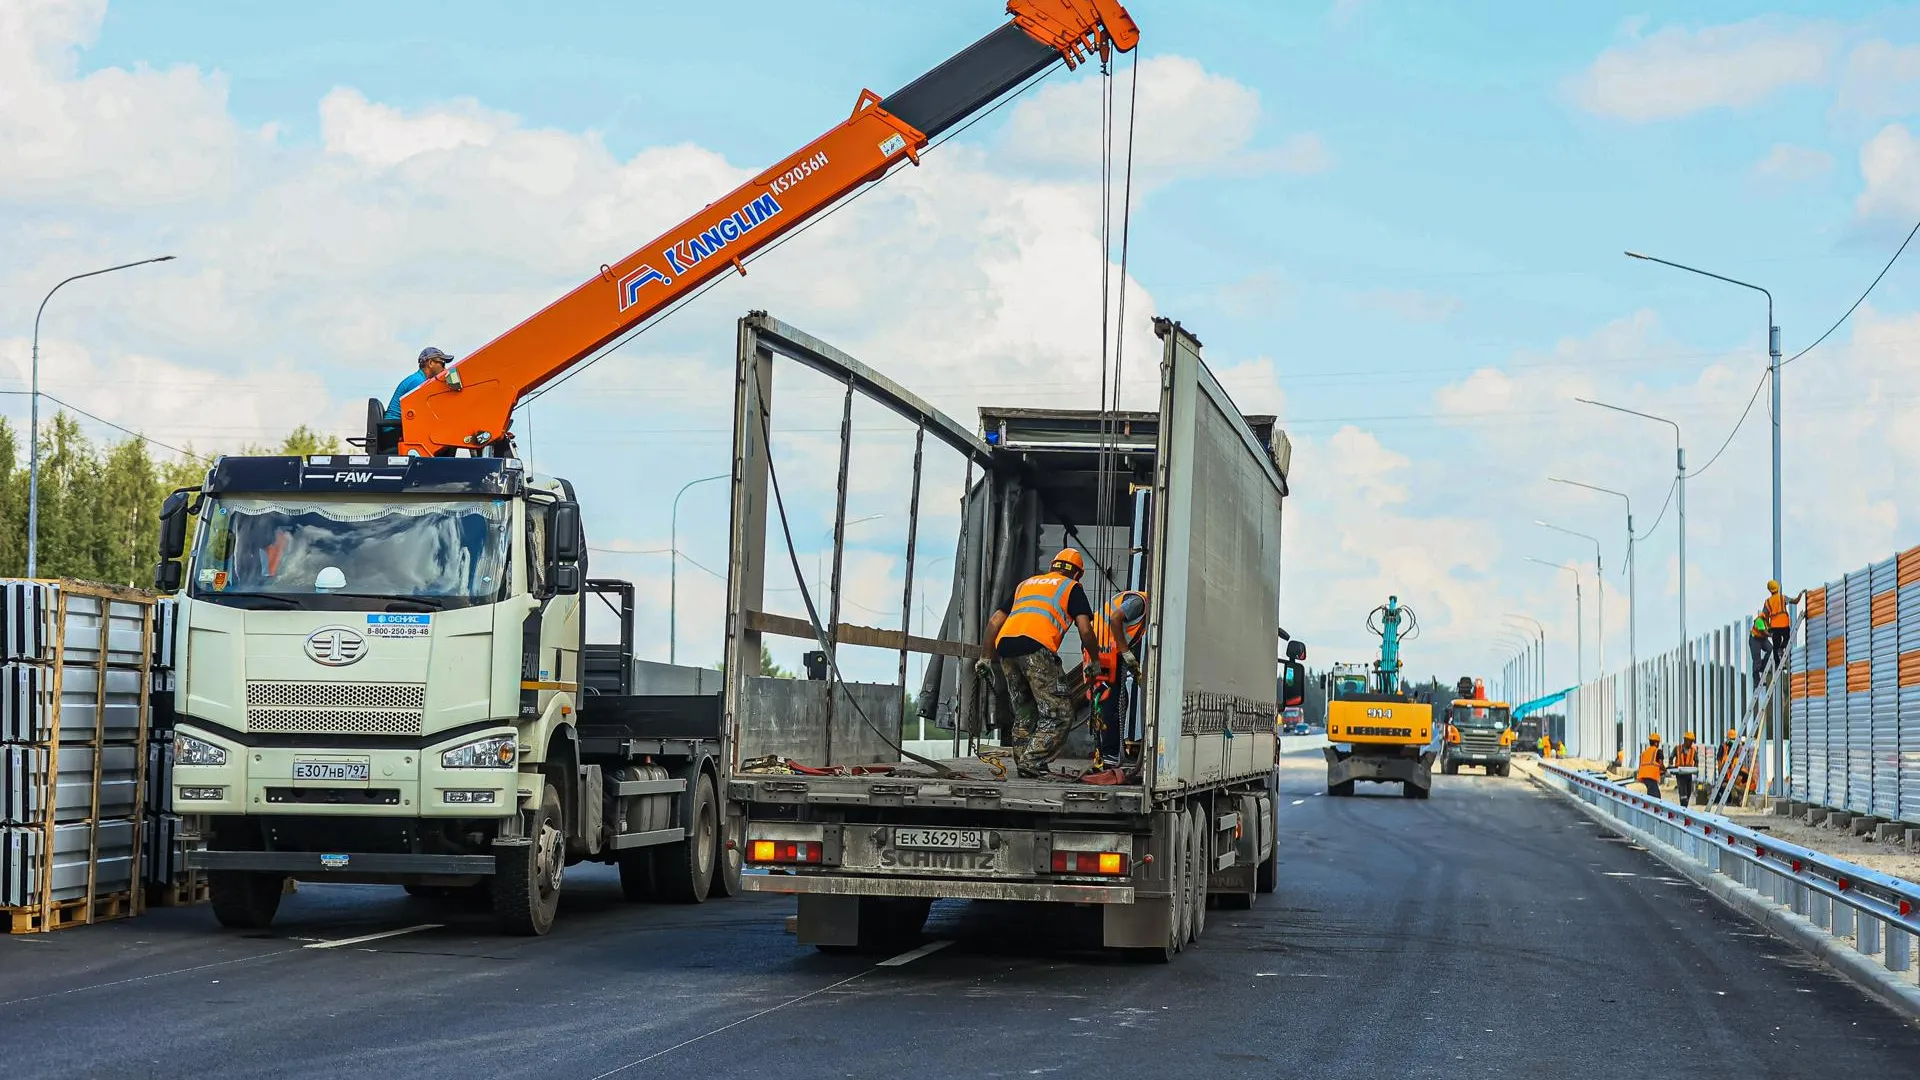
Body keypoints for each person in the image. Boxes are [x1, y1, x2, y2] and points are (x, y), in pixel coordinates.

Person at [977, 549, 1102, 778]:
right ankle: (1031, 762)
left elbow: (995, 621)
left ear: (1053, 565)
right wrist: (1094, 660)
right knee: (1059, 713)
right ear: (1077, 573)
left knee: (1025, 710)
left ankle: (1025, 763)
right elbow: (1085, 629)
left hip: (1005, 648)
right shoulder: (1071, 588)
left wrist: (985, 657)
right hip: (1036, 648)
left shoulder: (1027, 584)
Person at [1088, 590, 1146, 763]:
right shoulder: (1139, 602)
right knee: (1113, 702)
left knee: (1112, 701)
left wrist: (1134, 669)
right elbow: (1115, 618)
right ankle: (1109, 753)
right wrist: (1125, 651)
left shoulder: (1137, 604)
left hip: (1100, 650)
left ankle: (1109, 751)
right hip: (1105, 652)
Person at [386, 347, 454, 421]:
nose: (445, 369)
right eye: (442, 364)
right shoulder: (418, 382)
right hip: (394, 427)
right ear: (430, 363)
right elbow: (430, 409)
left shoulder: (420, 379)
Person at [1761, 580, 1793, 680]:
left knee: (1775, 645)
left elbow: (1764, 615)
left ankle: (1778, 663)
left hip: (1774, 625)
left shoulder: (1767, 602)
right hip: (1784, 624)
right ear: (1778, 588)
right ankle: (1781, 649)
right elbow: (1795, 601)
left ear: (1770, 590)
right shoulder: (1783, 597)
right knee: (1787, 639)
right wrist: (1800, 595)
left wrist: (1767, 625)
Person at [1671, 731, 1700, 805]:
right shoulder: (1677, 748)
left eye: (1692, 742)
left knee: (1688, 792)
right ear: (1685, 740)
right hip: (1680, 774)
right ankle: (1683, 806)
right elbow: (1671, 757)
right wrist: (1671, 765)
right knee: (1683, 791)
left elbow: (1696, 760)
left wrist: (1695, 768)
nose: (1691, 743)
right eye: (1690, 741)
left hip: (1688, 773)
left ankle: (1685, 805)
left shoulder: (1693, 750)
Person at [1635, 732, 1665, 798]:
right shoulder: (1658, 751)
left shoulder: (1644, 753)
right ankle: (1653, 807)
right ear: (1656, 743)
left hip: (1643, 775)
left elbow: (1642, 765)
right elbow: (1661, 765)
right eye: (1658, 743)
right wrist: (1664, 770)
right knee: (1656, 795)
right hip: (1651, 775)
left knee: (1651, 791)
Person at [1748, 611, 1771, 688]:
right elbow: (1764, 631)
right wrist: (1772, 635)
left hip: (1763, 639)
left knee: (1771, 650)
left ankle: (1763, 666)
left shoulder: (1769, 620)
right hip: (1755, 639)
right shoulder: (1759, 620)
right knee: (1756, 662)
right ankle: (1757, 682)